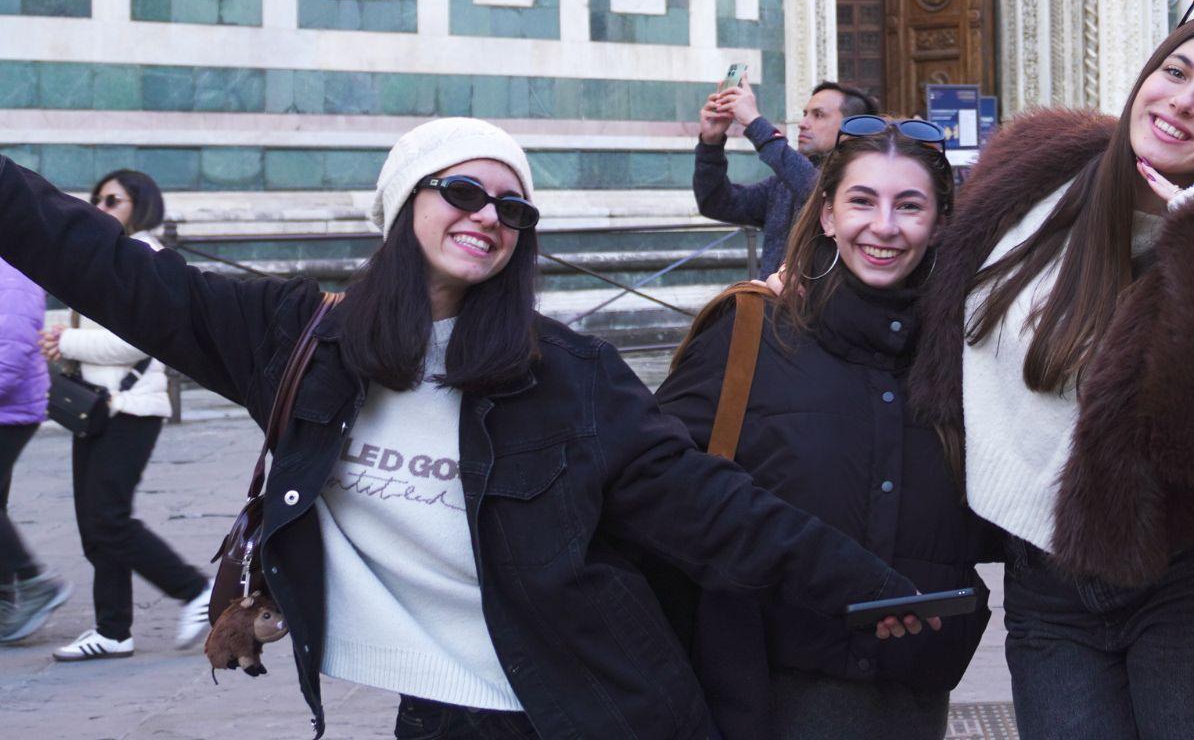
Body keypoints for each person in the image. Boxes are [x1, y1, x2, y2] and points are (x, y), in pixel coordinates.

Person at [0, 119, 938, 737]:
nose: (489, 216)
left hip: (590, 707)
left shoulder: (569, 376)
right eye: (461, 192)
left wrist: (881, 595)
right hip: (439, 714)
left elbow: (714, 511)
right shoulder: (295, 339)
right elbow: (102, 264)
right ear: (405, 200)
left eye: (512, 206)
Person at [909, 0, 1194, 740]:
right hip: (1044, 578)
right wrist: (807, 283)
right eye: (1175, 72)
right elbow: (924, 287)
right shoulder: (1034, 169)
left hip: (1192, 582)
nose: (1183, 101)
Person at [659, 115, 995, 739]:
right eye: (861, 201)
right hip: (763, 691)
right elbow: (658, 484)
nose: (884, 226)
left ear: (941, 223)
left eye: (910, 206)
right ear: (826, 217)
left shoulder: (972, 355)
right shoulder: (751, 333)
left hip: (909, 694)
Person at [38, 169, 210, 662]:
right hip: (98, 406)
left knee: (109, 519)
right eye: (96, 198)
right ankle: (113, 630)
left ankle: (195, 590)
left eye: (112, 200)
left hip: (133, 407)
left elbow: (138, 338)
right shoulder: (108, 253)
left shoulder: (145, 254)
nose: (99, 206)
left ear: (141, 204)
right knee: (94, 524)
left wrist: (67, 341)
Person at [696, 79, 878, 276]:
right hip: (772, 296)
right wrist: (710, 143)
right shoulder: (783, 184)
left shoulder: (860, 186)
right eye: (805, 114)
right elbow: (716, 203)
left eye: (818, 115)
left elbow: (817, 190)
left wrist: (754, 122)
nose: (802, 124)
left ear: (850, 130)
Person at [0, 255, 67, 644]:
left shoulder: (10, 270)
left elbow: (12, 346)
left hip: (10, 408)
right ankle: (7, 600)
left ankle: (34, 583)